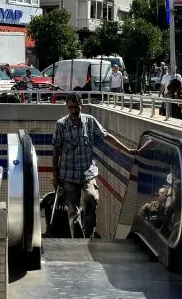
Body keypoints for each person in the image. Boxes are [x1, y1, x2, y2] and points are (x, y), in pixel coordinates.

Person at [52, 92, 144, 237]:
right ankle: (78, 240)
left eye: (77, 107)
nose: (74, 111)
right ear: (67, 107)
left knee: (91, 197)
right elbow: (56, 151)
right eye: (71, 108)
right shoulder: (61, 125)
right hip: (68, 175)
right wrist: (55, 177)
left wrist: (128, 150)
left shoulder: (90, 121)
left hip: (87, 172)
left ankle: (88, 234)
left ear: (81, 106)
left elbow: (106, 136)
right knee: (73, 211)